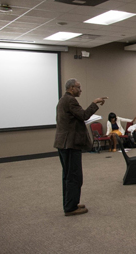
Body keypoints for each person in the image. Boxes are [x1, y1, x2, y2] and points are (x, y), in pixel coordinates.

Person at [54, 78, 107, 216]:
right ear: (72, 88)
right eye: (79, 87)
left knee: (68, 175)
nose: (81, 90)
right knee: (74, 176)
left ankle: (70, 203)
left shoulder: (62, 100)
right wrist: (94, 103)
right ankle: (71, 208)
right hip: (70, 144)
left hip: (64, 143)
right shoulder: (71, 100)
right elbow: (83, 115)